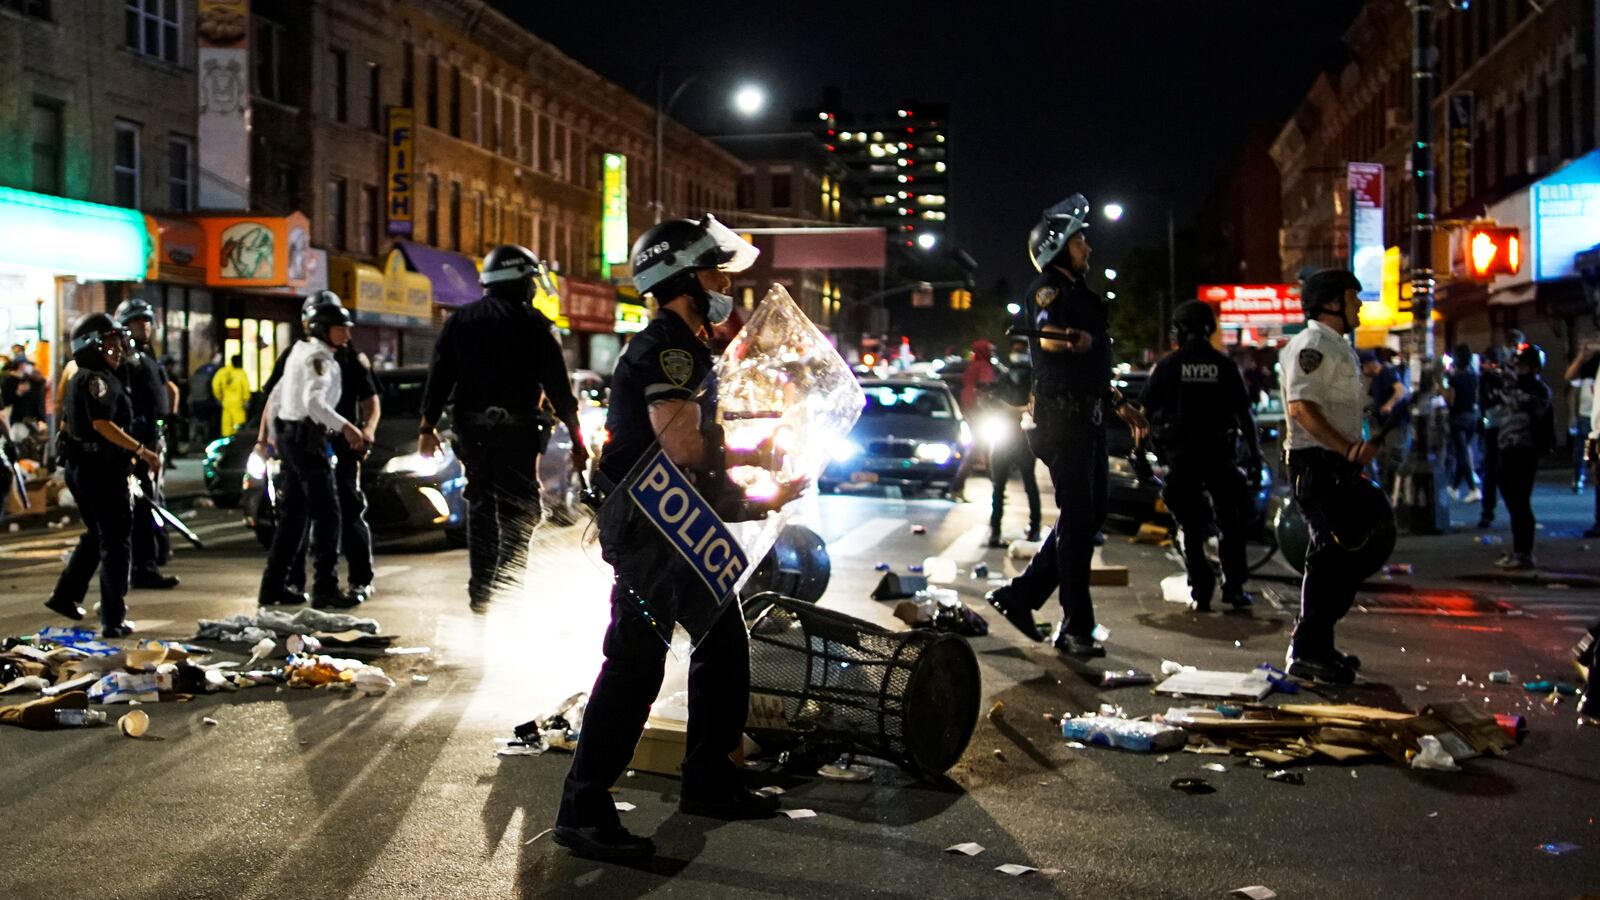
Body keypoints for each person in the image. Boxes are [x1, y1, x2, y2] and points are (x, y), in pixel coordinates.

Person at [557, 215, 798, 861]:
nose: (725, 284)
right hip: (648, 531)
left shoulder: (689, 344)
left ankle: (710, 779)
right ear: (685, 277)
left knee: (723, 644)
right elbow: (683, 444)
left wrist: (759, 492)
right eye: (716, 271)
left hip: (676, 525)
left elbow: (691, 463)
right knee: (635, 662)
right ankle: (582, 808)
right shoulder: (670, 346)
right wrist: (753, 446)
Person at [985, 194, 1148, 657]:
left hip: (1087, 417)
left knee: (1090, 516)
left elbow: (1092, 368)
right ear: (1058, 246)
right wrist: (1067, 342)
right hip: (1061, 421)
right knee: (1078, 522)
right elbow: (1050, 335)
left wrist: (1121, 404)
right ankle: (1076, 626)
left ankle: (1020, 595)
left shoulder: (1082, 297)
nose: (1089, 247)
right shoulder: (1048, 291)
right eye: (1081, 239)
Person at [419, 245, 586, 612]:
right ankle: (510, 590)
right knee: (518, 510)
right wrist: (577, 440)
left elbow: (439, 377)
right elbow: (559, 388)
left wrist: (427, 426)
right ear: (521, 283)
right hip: (518, 435)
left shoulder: (460, 322)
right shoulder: (536, 326)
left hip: (473, 434)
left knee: (480, 507)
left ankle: (481, 593)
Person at [1279, 269, 1375, 684]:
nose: (1359, 305)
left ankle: (1319, 644)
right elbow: (1302, 408)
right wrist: (1345, 448)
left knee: (1343, 558)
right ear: (1331, 302)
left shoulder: (1338, 347)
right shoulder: (1313, 345)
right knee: (1329, 556)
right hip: (1316, 464)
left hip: (1335, 463)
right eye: (1353, 297)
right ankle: (1307, 651)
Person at [257, 292, 383, 604]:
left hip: (293, 438)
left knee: (294, 517)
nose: (348, 333)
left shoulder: (300, 351)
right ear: (323, 328)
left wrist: (274, 436)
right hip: (307, 438)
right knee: (329, 515)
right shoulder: (320, 358)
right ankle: (325, 588)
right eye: (341, 327)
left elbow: (275, 397)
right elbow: (314, 404)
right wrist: (349, 428)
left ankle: (272, 588)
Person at [45, 314, 162, 637]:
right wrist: (142, 450)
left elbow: (69, 425)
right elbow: (102, 424)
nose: (118, 350)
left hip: (82, 469)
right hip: (102, 471)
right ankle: (113, 617)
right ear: (92, 346)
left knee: (97, 534)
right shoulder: (98, 380)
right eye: (110, 344)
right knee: (115, 541)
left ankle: (65, 594)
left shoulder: (78, 377)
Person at [1141, 300, 1261, 612]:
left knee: (1190, 527)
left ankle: (1201, 589)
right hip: (1219, 456)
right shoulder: (1224, 365)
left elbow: (1144, 414)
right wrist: (1257, 458)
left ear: (1180, 330)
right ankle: (1233, 588)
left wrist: (1140, 455)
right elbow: (1245, 415)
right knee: (1230, 524)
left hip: (1181, 457)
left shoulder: (1168, 366)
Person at [114, 299, 180, 591]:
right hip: (136, 441)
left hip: (152, 439)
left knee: (150, 503)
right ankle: (143, 567)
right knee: (140, 509)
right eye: (137, 321)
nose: (144, 326)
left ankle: (150, 559)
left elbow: (166, 389)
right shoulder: (125, 359)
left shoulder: (147, 355)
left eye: (147, 320)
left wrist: (168, 421)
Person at [1492, 343, 1552, 571]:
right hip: (1507, 449)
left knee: (1520, 502)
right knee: (1512, 501)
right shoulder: (1515, 386)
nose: (1520, 369)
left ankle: (1524, 552)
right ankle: (1519, 549)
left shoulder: (1538, 390)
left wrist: (1508, 382)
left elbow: (1525, 405)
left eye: (1523, 365)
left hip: (1524, 450)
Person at [987, 337, 1040, 547]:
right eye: (1015, 349)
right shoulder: (1004, 377)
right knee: (998, 485)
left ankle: (1035, 527)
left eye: (1021, 349)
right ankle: (995, 530)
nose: (1018, 353)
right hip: (1002, 436)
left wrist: (1012, 409)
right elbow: (993, 400)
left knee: (1029, 483)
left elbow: (1035, 405)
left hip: (1024, 437)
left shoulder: (1034, 378)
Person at [1360, 349, 1410, 497]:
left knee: (1395, 459)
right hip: (1383, 427)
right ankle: (1386, 493)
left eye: (1363, 367)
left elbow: (1401, 391)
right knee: (1382, 460)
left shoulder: (1387, 373)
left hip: (1395, 425)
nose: (1363, 371)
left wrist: (1389, 405)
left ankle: (1397, 494)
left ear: (1370, 364)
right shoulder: (1376, 378)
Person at [1477, 344, 1513, 528]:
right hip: (1494, 426)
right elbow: (1484, 400)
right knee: (1491, 470)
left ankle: (1503, 509)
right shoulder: (1485, 379)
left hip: (1506, 427)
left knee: (1501, 470)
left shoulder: (1508, 376)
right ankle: (1488, 510)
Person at [1443, 345, 1481, 503]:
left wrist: (1442, 386)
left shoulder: (1455, 378)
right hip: (1472, 415)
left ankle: (1473, 489)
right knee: (1463, 452)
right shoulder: (1474, 376)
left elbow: (1450, 400)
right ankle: (1455, 487)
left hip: (1458, 417)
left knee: (1462, 453)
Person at [1564, 343, 1598, 493]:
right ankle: (1579, 475)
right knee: (1583, 448)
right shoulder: (1587, 369)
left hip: (1597, 419)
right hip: (1586, 415)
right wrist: (1581, 356)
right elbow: (1569, 379)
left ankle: (1592, 470)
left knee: (1592, 449)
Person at [212, 354, 251, 437]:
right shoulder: (241, 373)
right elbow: (245, 386)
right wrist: (246, 399)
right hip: (238, 403)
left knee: (226, 424)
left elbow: (215, 384)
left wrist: (219, 397)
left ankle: (226, 443)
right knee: (238, 422)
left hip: (226, 402)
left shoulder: (222, 372)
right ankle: (237, 441)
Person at [189, 352, 223, 444]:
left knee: (198, 419)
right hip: (206, 401)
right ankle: (209, 438)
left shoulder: (200, 370)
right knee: (211, 419)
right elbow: (215, 387)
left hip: (195, 401)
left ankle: (197, 437)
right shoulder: (216, 371)